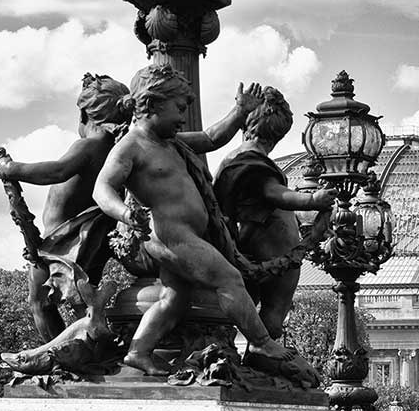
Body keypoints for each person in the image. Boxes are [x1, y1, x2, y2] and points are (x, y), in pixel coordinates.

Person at [93, 65, 304, 377]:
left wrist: (239, 110)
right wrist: (125, 213)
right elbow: (103, 188)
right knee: (229, 278)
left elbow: (211, 137)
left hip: (188, 233)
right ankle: (260, 342)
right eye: (179, 109)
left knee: (174, 299)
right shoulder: (132, 145)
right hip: (169, 234)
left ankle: (138, 350)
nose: (182, 117)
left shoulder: (172, 142)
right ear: (152, 104)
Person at [0, 73, 131, 340]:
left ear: (83, 115)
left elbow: (56, 172)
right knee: (83, 303)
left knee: (40, 303)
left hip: (64, 243)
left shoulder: (89, 145)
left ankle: (64, 358)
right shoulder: (115, 150)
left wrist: (12, 169)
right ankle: (86, 349)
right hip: (85, 237)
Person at [213, 86, 337, 338]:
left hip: (250, 245)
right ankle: (263, 353)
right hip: (272, 249)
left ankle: (258, 351)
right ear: (277, 133)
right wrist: (312, 199)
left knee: (250, 308)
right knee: (273, 312)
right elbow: (273, 193)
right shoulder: (252, 159)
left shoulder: (235, 158)